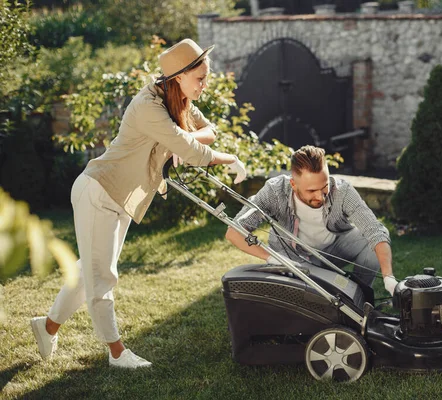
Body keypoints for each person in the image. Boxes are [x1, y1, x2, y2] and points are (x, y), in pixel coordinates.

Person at [31, 39, 247, 369]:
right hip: (99, 191)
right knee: (102, 276)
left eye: (207, 77)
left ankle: (46, 327)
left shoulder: (178, 102)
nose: (206, 84)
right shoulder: (149, 106)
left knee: (87, 272)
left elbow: (209, 132)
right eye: (201, 79)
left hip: (122, 197)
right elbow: (195, 152)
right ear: (179, 77)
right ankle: (116, 352)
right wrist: (222, 156)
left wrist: (180, 137)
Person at [225, 145, 398, 295]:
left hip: (336, 249)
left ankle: (360, 296)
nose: (320, 197)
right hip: (297, 260)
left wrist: (388, 276)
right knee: (320, 297)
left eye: (324, 187)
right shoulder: (274, 192)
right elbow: (234, 232)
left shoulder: (343, 191)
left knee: (372, 239)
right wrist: (271, 258)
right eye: (312, 191)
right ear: (293, 184)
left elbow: (374, 230)